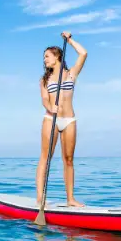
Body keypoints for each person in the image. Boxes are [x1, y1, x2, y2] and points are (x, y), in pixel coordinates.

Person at [36, 31, 87, 208]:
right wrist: (51, 107)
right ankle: (40, 197)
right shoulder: (44, 79)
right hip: (51, 119)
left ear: (57, 56)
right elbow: (44, 99)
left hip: (69, 120)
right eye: (44, 57)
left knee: (69, 159)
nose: (44, 60)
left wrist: (70, 40)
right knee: (46, 157)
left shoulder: (71, 73)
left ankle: (70, 199)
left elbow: (83, 53)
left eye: (47, 56)